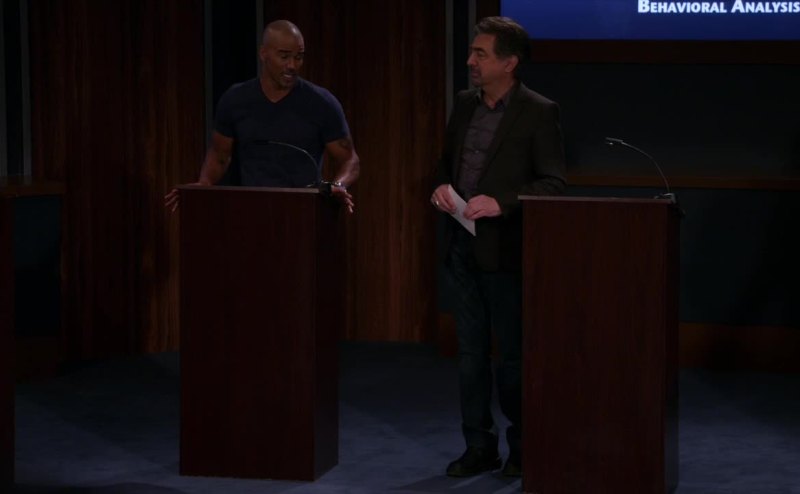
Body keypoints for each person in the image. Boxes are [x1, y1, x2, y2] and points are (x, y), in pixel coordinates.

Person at [430, 16, 566, 478]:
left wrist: (501, 202)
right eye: (472, 52)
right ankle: (478, 446)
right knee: (470, 358)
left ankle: (524, 447)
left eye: (480, 54)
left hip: (506, 255)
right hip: (461, 249)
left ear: (509, 63)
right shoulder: (464, 104)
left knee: (511, 359)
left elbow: (553, 182)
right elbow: (444, 165)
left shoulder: (538, 112)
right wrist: (440, 187)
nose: (470, 61)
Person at [165, 20, 359, 212]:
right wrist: (203, 185)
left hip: (304, 212)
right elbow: (219, 154)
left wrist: (338, 185)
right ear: (263, 53)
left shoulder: (321, 103)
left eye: (298, 57)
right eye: (284, 56)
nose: (292, 65)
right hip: (251, 210)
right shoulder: (235, 100)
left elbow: (350, 160)